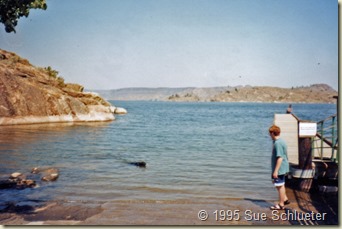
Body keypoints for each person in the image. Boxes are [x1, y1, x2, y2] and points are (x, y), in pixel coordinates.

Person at [269, 125, 290, 210]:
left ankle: (281, 204)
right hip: (281, 167)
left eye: (270, 134)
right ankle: (285, 199)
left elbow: (280, 158)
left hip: (280, 168)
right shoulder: (280, 141)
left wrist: (276, 171)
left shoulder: (278, 143)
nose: (269, 136)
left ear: (273, 133)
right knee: (278, 184)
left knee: (280, 185)